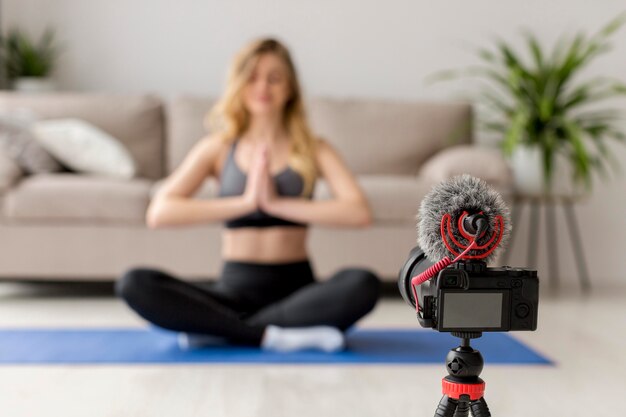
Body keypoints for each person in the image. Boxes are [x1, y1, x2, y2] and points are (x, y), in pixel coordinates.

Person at [115, 37, 380, 352]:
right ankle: (275, 335)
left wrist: (277, 204)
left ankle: (222, 328)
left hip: (298, 294)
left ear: (290, 88)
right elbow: (160, 212)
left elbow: (358, 212)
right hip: (232, 291)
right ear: (238, 85)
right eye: (252, 77)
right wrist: (245, 203)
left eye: (274, 78)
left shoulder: (315, 148)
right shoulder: (219, 147)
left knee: (364, 283)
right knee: (135, 283)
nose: (263, 87)